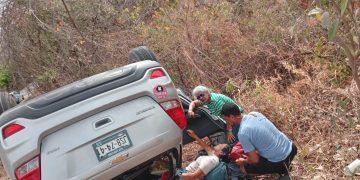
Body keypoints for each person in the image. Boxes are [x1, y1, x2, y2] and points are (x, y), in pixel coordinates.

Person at [220, 103, 297, 176]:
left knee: (243, 168)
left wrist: (244, 161)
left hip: (281, 159)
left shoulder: (242, 133)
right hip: (291, 147)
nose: (227, 122)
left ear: (232, 117)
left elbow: (254, 160)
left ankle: (282, 170)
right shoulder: (254, 114)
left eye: (226, 119)